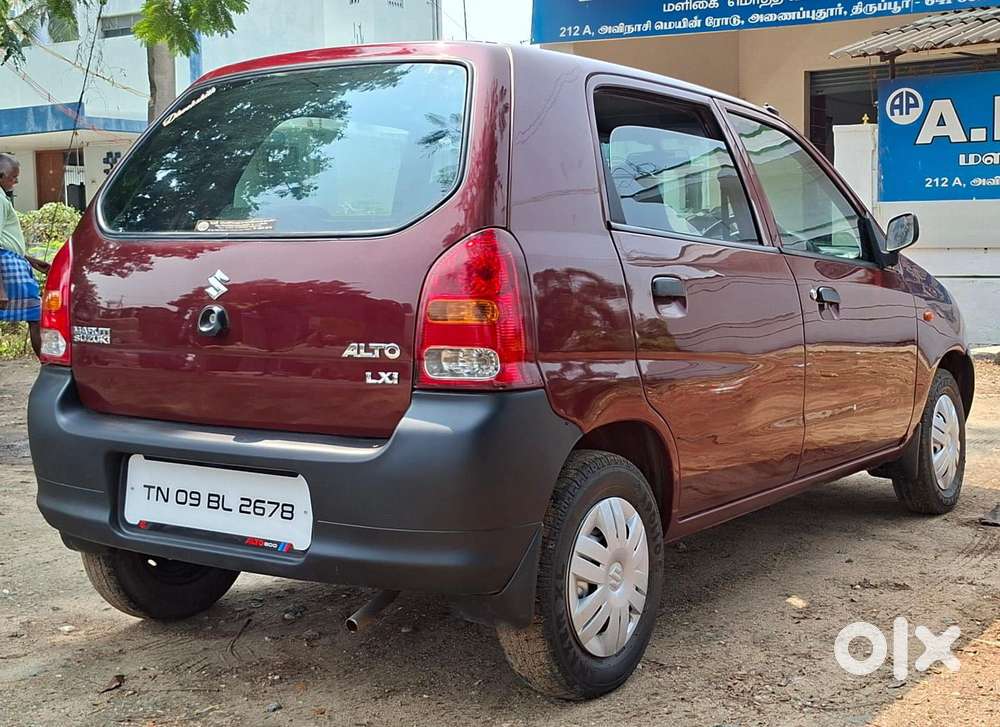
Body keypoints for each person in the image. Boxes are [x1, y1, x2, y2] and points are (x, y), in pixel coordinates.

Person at [0, 153, 51, 357]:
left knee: (35, 315)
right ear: (1, 175)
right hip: (6, 266)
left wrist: (30, 259)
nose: (16, 181)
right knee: (36, 315)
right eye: (13, 177)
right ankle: (48, 363)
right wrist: (1, 290)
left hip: (12, 260)